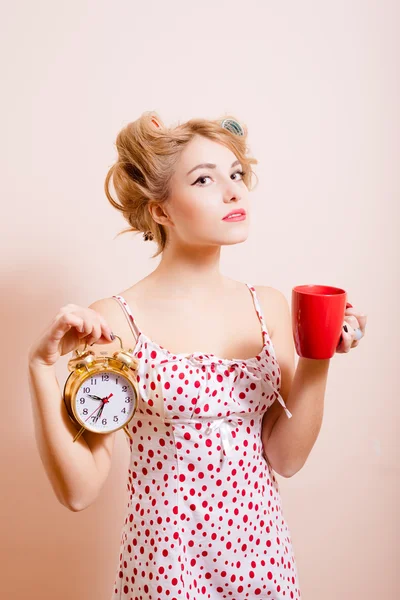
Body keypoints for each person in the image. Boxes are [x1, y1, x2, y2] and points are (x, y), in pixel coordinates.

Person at [28, 111, 367, 600]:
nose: (233, 192)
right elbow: (79, 492)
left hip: (261, 562)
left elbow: (286, 458)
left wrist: (319, 358)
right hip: (167, 566)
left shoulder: (268, 306)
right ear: (161, 211)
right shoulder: (117, 320)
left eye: (235, 175)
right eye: (204, 179)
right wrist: (39, 369)